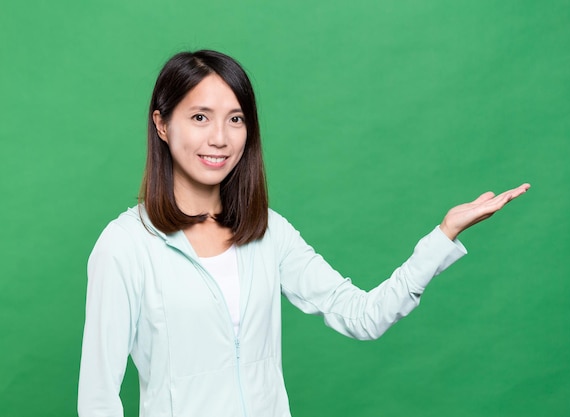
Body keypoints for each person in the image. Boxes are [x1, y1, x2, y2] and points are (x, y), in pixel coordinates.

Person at [77, 49, 530, 417]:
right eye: (200, 117)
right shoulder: (124, 246)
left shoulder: (267, 231)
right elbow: (97, 400)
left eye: (235, 119)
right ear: (161, 124)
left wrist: (443, 235)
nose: (220, 138)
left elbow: (362, 315)